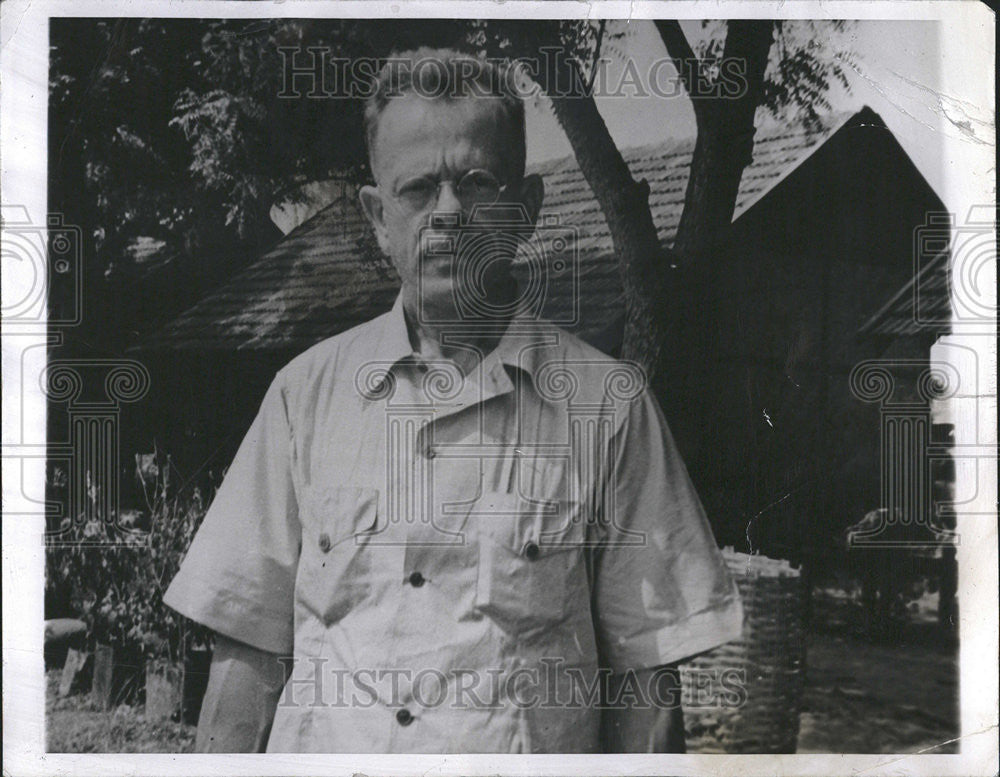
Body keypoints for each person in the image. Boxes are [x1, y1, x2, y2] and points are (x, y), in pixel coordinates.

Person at [164, 48, 742, 754]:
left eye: (476, 183)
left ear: (525, 209)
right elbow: (246, 659)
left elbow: (645, 683)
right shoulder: (303, 397)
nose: (448, 212)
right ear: (378, 217)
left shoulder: (610, 410)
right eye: (416, 189)